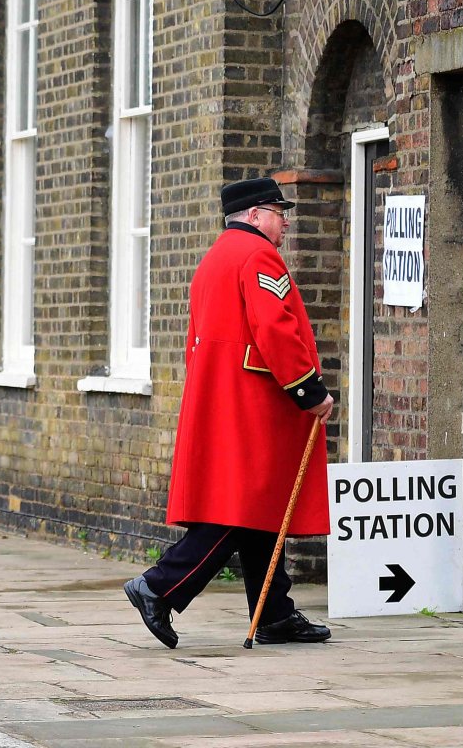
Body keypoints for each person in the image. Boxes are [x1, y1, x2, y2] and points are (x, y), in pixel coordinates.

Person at [124, 177, 336, 648]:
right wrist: (309, 391)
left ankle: (275, 613)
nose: (285, 223)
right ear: (256, 214)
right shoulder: (259, 255)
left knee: (258, 508)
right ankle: (158, 586)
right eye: (280, 213)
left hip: (222, 401)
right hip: (255, 406)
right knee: (239, 512)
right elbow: (276, 330)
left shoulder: (215, 258)